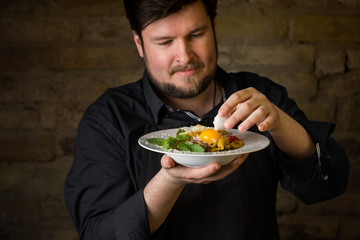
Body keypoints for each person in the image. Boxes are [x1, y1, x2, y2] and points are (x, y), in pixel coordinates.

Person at [64, 0, 349, 239]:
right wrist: (170, 179)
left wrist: (281, 124)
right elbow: (98, 233)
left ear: (213, 26)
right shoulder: (108, 118)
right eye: (165, 42)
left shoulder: (262, 95)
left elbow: (329, 186)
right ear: (139, 43)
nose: (184, 56)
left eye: (196, 34)